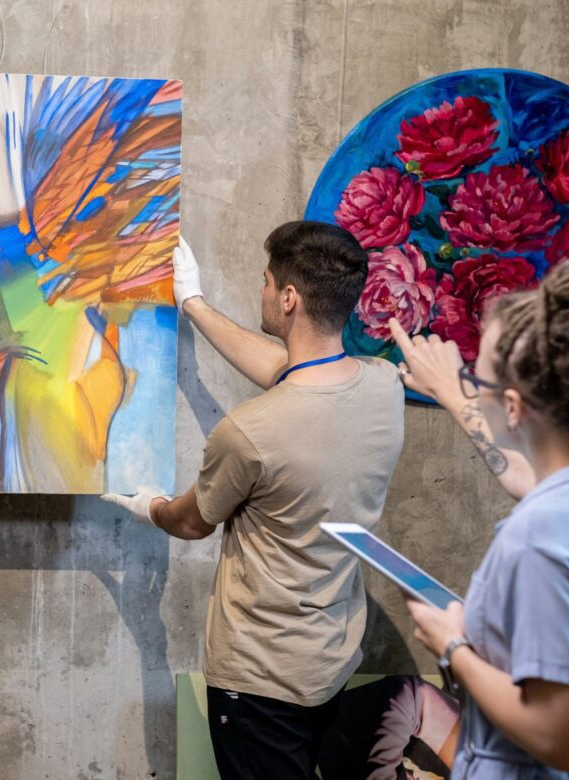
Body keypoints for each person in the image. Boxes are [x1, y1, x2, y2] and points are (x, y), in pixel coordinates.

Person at [105, 222, 406, 779]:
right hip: (329, 663)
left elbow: (191, 523)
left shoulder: (250, 432)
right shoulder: (383, 386)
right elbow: (292, 372)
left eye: (267, 282)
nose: (261, 290)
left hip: (258, 680)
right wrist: (194, 305)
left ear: (288, 298)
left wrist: (150, 506)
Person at [389, 256, 569, 777]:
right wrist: (452, 392)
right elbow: (531, 478)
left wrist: (453, 644)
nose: (471, 388)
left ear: (514, 407)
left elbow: (558, 737)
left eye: (477, 379)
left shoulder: (541, 535)